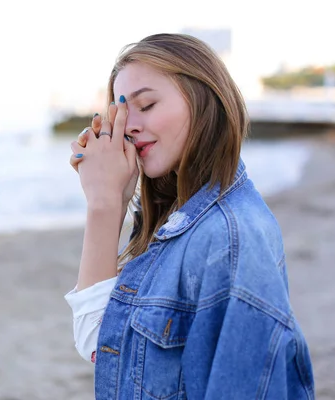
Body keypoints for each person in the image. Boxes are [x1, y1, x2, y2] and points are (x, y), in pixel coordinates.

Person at [64, 33, 315, 400]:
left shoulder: (228, 240)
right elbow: (98, 342)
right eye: (122, 114)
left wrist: (104, 202)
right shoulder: (181, 222)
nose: (129, 127)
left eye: (146, 105)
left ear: (204, 99)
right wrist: (106, 202)